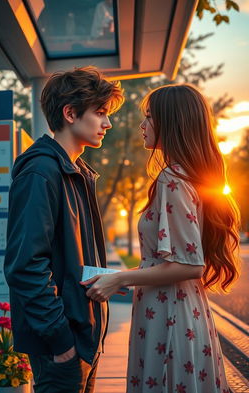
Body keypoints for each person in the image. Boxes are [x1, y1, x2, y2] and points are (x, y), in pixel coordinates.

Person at [81, 84, 240, 393]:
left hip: (169, 315)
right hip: (184, 311)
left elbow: (190, 265)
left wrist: (119, 280)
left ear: (172, 122)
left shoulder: (172, 179)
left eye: (149, 117)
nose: (141, 126)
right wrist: (120, 276)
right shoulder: (188, 177)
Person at [4, 66, 124, 393]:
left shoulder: (76, 171)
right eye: (100, 113)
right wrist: (61, 342)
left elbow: (69, 256)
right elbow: (25, 266)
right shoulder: (41, 172)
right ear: (70, 113)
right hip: (64, 345)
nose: (108, 123)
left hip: (83, 336)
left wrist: (114, 278)